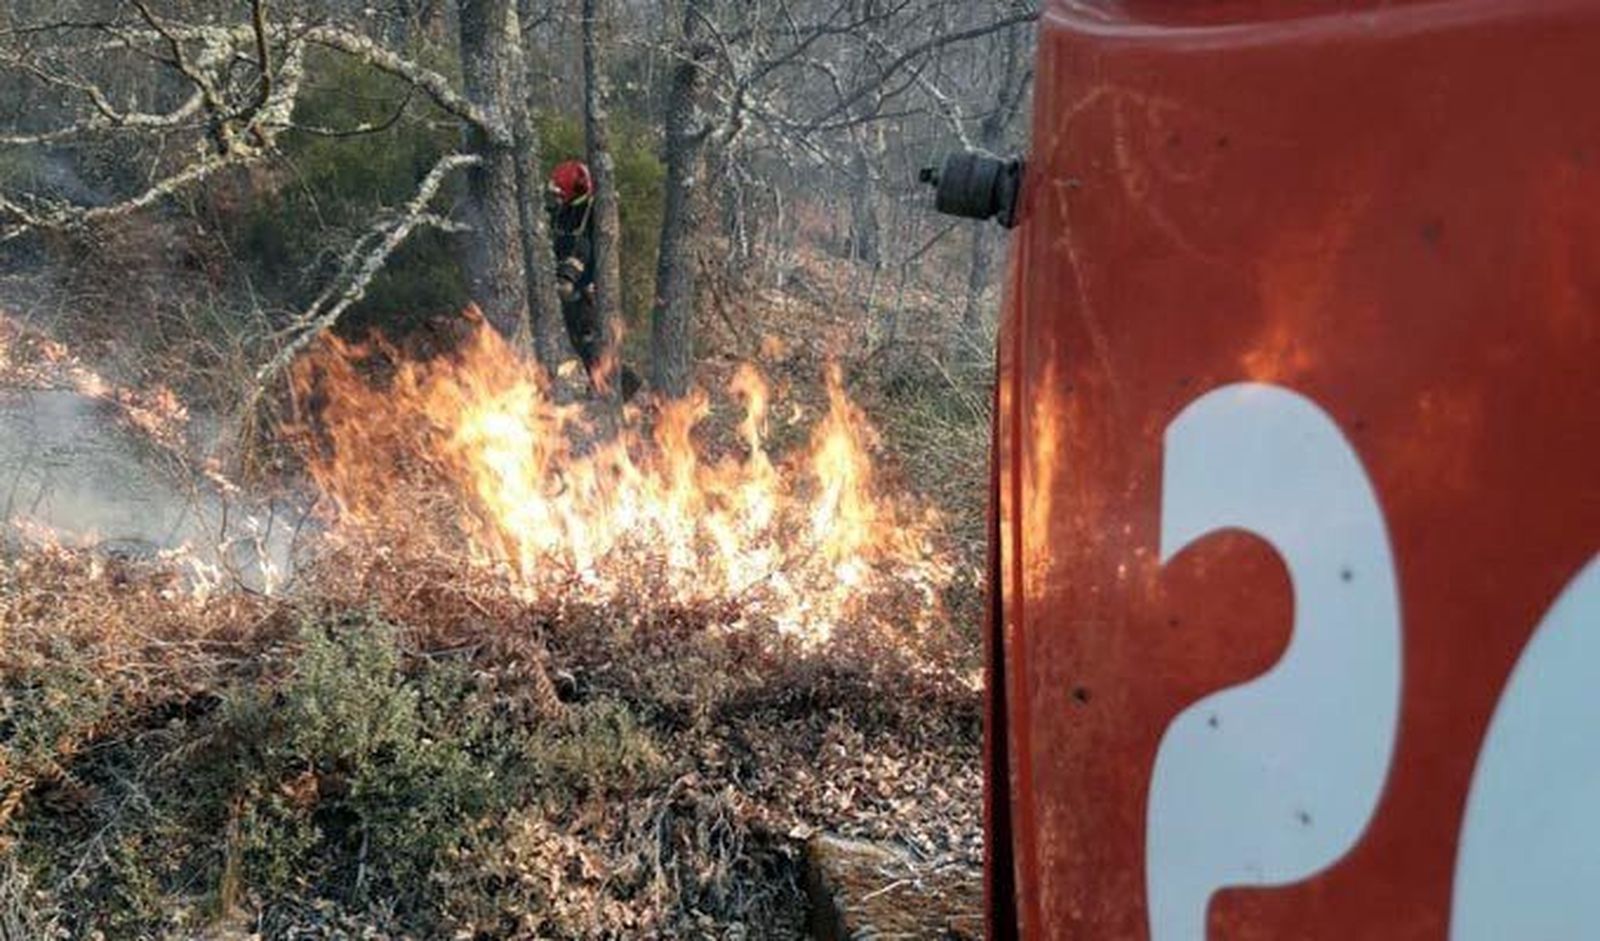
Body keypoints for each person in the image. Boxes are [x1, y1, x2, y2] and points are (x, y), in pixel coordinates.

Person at [546, 160, 640, 400]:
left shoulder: (590, 212)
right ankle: (602, 383)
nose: (556, 196)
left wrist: (569, 277)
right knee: (578, 340)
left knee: (589, 340)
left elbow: (583, 249)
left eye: (559, 191)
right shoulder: (566, 210)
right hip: (568, 285)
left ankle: (623, 383)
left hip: (583, 287)